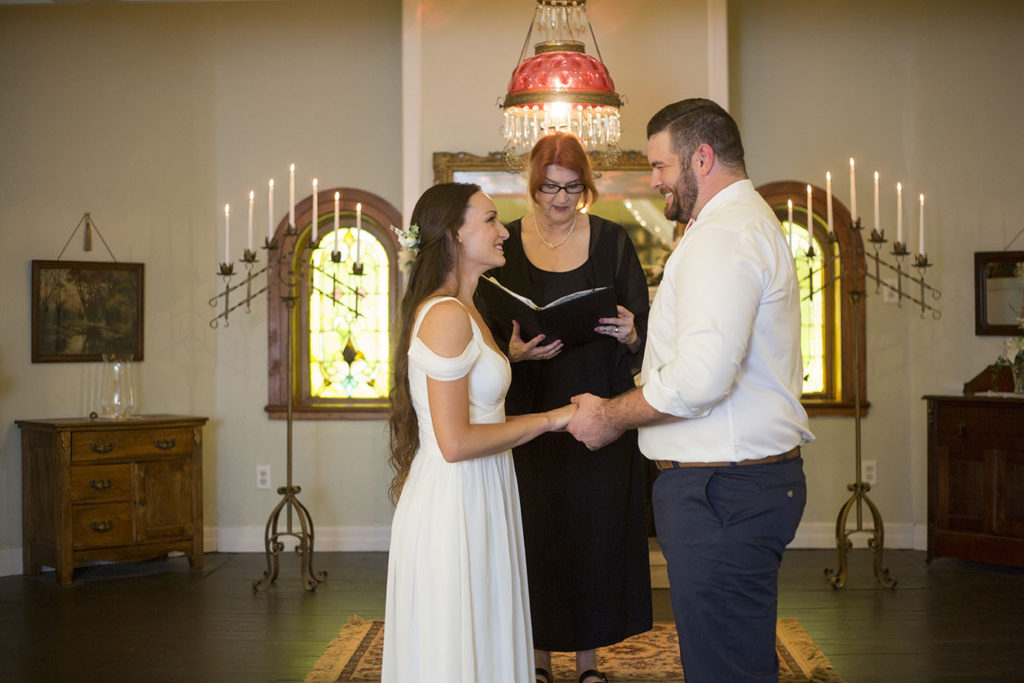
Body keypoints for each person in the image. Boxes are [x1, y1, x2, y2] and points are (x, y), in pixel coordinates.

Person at [567, 99, 814, 683]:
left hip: (723, 488)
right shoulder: (733, 226)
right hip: (728, 484)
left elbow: (703, 376)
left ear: (700, 158)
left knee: (725, 668)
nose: (654, 181)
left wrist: (611, 415)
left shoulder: (724, 237)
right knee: (730, 657)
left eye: (659, 165)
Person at [382, 183, 575, 683]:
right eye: (490, 220)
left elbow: (475, 402)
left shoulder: (468, 310)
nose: (504, 231)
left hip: (484, 490)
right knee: (458, 647)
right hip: (455, 499)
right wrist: (554, 419)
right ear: (453, 234)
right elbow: (455, 443)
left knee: (486, 633)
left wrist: (509, 362)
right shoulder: (446, 315)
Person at [477, 132, 652, 683]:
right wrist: (512, 352)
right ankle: (537, 662)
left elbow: (645, 329)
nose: (560, 199)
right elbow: (478, 334)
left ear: (586, 186)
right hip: (529, 412)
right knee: (536, 536)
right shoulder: (502, 242)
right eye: (550, 187)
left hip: (599, 408)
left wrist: (630, 333)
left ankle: (589, 664)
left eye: (572, 188)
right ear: (533, 184)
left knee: (595, 537)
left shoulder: (612, 240)